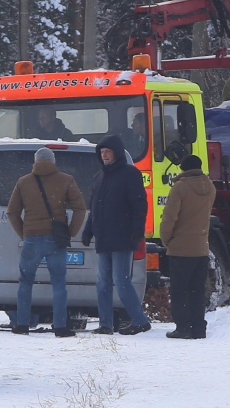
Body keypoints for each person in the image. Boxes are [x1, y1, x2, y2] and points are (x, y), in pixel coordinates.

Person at [6, 147, 87, 337]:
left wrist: (24, 232)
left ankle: (22, 324)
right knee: (58, 283)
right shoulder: (66, 180)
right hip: (55, 239)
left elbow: (12, 212)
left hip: (32, 239)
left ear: (35, 162)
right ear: (53, 161)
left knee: (26, 281)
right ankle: (60, 326)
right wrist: (70, 233)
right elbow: (80, 209)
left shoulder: (23, 182)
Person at [81, 135, 151, 335]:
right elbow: (94, 208)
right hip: (104, 237)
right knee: (103, 282)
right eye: (102, 152)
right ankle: (106, 324)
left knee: (121, 280)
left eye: (108, 152)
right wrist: (88, 230)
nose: (104, 156)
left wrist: (138, 229)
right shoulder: (99, 176)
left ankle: (140, 320)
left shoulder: (130, 174)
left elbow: (139, 204)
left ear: (116, 153)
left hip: (122, 236)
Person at [159, 155, 215, 339]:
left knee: (179, 290)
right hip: (201, 247)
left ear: (183, 169)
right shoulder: (210, 187)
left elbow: (169, 218)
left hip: (181, 249)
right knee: (197, 291)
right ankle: (199, 328)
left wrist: (167, 240)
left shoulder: (180, 188)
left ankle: (183, 328)